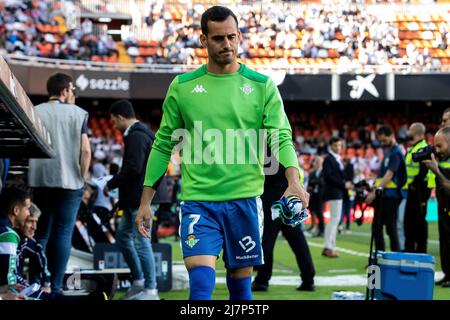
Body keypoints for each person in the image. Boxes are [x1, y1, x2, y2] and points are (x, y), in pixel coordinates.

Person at [135, 6, 309, 301]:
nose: (226, 44)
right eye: (218, 39)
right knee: (200, 286)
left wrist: (294, 180)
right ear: (203, 40)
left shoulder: (261, 85)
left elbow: (281, 136)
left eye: (231, 37)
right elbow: (163, 143)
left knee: (240, 289)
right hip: (198, 202)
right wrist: (145, 201)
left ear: (239, 36)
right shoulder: (182, 87)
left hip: (245, 201)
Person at [28, 72, 91, 294]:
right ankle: (54, 285)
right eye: (72, 90)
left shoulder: (35, 110)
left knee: (40, 232)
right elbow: (85, 150)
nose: (73, 94)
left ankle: (36, 283)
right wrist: (82, 177)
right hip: (71, 181)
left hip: (40, 180)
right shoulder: (79, 113)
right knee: (63, 233)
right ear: (65, 90)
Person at [104, 100, 160, 300]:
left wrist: (111, 183)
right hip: (134, 198)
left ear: (120, 117)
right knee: (123, 237)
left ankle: (151, 289)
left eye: (113, 121)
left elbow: (134, 168)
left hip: (140, 199)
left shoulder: (136, 136)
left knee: (141, 242)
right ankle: (139, 282)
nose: (113, 125)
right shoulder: (139, 134)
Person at [252, 157, 315, 292]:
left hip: (271, 201)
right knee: (298, 241)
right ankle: (308, 278)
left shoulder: (265, 147)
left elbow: (264, 176)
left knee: (267, 242)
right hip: (288, 199)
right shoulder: (284, 147)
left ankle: (262, 280)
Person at [366, 125, 407, 252]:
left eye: (384, 140)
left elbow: (389, 175)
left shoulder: (396, 153)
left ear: (391, 136)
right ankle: (379, 257)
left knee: (391, 228)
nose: (382, 143)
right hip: (384, 194)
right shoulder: (389, 151)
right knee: (377, 228)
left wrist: (374, 192)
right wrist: (374, 187)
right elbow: (383, 175)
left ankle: (395, 257)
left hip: (392, 196)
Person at [423, 126, 450, 287]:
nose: (437, 150)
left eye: (440, 146)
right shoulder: (443, 160)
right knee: (445, 240)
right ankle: (448, 273)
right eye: (435, 146)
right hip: (445, 208)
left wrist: (436, 171)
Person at [322, 137, 352, 257]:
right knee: (334, 220)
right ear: (331, 146)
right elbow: (328, 176)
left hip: (337, 192)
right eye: (335, 145)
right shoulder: (329, 159)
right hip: (334, 192)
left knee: (334, 220)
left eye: (339, 145)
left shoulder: (336, 159)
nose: (338, 148)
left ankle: (330, 246)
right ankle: (328, 247)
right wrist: (344, 184)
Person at [403, 123, 430, 253]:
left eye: (410, 130)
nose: (408, 132)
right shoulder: (414, 148)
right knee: (409, 222)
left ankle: (420, 250)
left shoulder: (422, 148)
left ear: (416, 132)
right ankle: (410, 249)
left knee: (418, 222)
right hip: (412, 189)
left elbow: (424, 170)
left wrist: (414, 184)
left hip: (419, 190)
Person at [0, 187, 31, 299]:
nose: (29, 214)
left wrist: (4, 289)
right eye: (27, 209)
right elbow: (7, 277)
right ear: (16, 210)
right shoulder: (7, 234)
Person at [16, 203, 51, 292]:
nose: (34, 227)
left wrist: (46, 283)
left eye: (36, 222)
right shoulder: (9, 239)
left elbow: (38, 250)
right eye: (30, 221)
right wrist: (28, 288)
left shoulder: (26, 240)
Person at [306, 156, 325, 237]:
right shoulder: (313, 173)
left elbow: (322, 182)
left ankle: (321, 229)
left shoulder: (324, 172)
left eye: (318, 162)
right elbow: (310, 183)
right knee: (312, 211)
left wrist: (315, 182)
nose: (316, 164)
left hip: (321, 196)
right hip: (313, 195)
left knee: (320, 213)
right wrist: (316, 183)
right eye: (316, 162)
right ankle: (314, 226)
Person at [339, 156, 354, 235]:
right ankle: (346, 227)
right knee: (347, 211)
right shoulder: (348, 170)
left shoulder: (343, 170)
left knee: (343, 211)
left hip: (344, 193)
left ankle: (341, 226)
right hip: (347, 193)